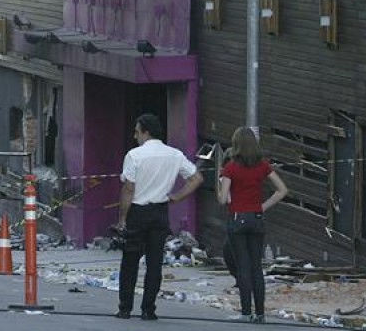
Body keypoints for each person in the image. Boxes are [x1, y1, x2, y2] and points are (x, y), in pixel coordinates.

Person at [116, 113, 203, 320]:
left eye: (137, 132)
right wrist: (176, 197)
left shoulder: (134, 155)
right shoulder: (175, 155)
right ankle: (149, 309)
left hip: (138, 211)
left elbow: (128, 188)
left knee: (130, 261)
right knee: (154, 263)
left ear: (146, 132)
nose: (135, 136)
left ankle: (125, 308)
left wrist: (122, 218)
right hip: (160, 212)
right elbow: (196, 178)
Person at [218, 127, 288, 324]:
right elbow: (282, 190)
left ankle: (245, 312)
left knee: (243, 267)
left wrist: (220, 184)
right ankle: (260, 314)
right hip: (256, 218)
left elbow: (223, 199)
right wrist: (263, 207)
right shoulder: (263, 165)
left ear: (236, 144)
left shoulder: (230, 167)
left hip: (237, 218)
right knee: (256, 267)